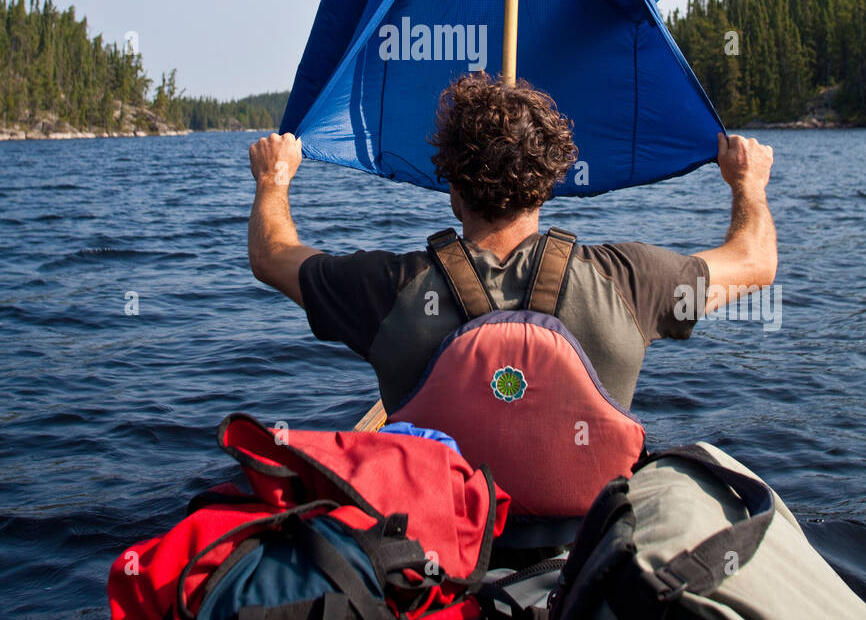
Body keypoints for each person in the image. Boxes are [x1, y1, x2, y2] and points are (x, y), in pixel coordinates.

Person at [247, 74, 776, 425]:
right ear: (548, 185)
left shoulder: (386, 290)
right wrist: (746, 185)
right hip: (584, 555)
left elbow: (273, 255)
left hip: (442, 566)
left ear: (452, 190)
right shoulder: (632, 280)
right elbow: (755, 263)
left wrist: (275, 177)